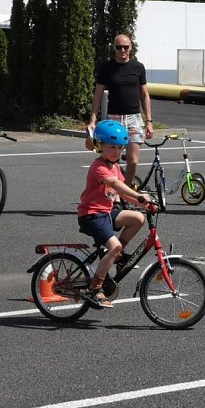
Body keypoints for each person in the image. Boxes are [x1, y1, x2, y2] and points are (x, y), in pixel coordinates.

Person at [77, 120, 153, 309]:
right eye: (112, 147)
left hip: (107, 213)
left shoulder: (116, 167)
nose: (116, 152)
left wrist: (146, 203)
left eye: (120, 148)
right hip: (92, 215)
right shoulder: (99, 167)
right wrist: (139, 196)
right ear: (99, 145)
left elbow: (123, 192)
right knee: (114, 246)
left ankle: (118, 256)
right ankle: (94, 288)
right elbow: (116, 185)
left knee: (138, 218)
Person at [89, 34, 154, 185]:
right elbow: (98, 95)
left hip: (133, 118)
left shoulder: (138, 67)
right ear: (114, 49)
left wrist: (149, 121)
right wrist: (93, 119)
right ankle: (114, 194)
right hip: (113, 119)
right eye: (119, 47)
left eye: (126, 47)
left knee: (133, 161)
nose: (123, 50)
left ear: (131, 48)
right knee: (111, 160)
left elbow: (144, 95)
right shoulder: (106, 68)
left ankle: (125, 193)